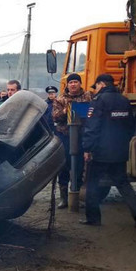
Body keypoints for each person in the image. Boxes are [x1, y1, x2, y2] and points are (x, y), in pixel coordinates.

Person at [82, 74, 136, 228]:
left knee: (92, 184)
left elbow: (92, 127)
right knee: (123, 183)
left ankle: (93, 219)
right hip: (120, 151)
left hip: (101, 152)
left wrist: (87, 148)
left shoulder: (98, 101)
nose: (95, 89)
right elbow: (131, 126)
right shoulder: (124, 100)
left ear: (101, 84)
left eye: (96, 86)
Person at [51, 73, 92, 209]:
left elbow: (93, 113)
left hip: (82, 136)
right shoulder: (60, 99)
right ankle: (64, 198)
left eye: (76, 82)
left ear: (80, 83)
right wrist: (66, 110)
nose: (73, 84)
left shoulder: (88, 96)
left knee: (79, 166)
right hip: (65, 136)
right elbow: (55, 117)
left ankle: (77, 194)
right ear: (67, 85)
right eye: (71, 82)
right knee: (64, 166)